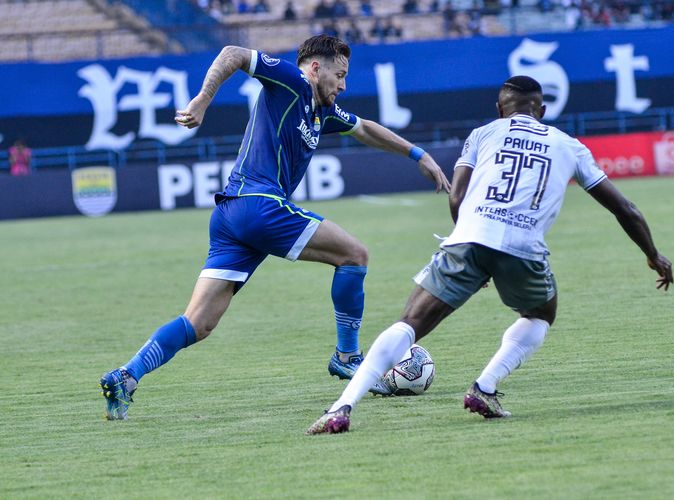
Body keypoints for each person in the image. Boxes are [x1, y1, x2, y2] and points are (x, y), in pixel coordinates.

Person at [99, 35, 450, 420]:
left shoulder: (321, 112)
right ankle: (347, 356)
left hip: (232, 216)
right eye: (340, 74)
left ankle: (126, 376)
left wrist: (420, 155)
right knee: (354, 255)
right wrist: (202, 100)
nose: (344, 84)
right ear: (316, 68)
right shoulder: (292, 81)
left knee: (198, 323)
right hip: (257, 205)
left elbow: (365, 129)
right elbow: (232, 54)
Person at [307, 75, 674, 435]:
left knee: (409, 324)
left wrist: (468, 242)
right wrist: (653, 254)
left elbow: (456, 197)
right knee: (541, 314)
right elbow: (625, 209)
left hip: (468, 238)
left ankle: (342, 407)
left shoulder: (483, 133)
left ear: (500, 109)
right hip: (523, 247)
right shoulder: (570, 146)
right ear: (542, 110)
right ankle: (484, 387)